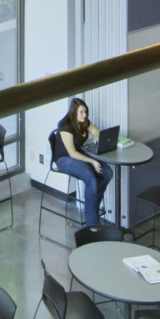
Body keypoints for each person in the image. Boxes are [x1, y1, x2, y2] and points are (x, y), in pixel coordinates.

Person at [52, 96, 110, 228]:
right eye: (81, 112)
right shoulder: (65, 126)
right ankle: (92, 225)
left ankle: (92, 208)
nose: (84, 115)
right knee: (91, 178)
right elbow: (72, 153)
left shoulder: (84, 122)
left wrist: (96, 136)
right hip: (64, 159)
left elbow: (96, 131)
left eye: (86, 112)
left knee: (107, 173)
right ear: (73, 112)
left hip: (79, 155)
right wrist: (92, 161)